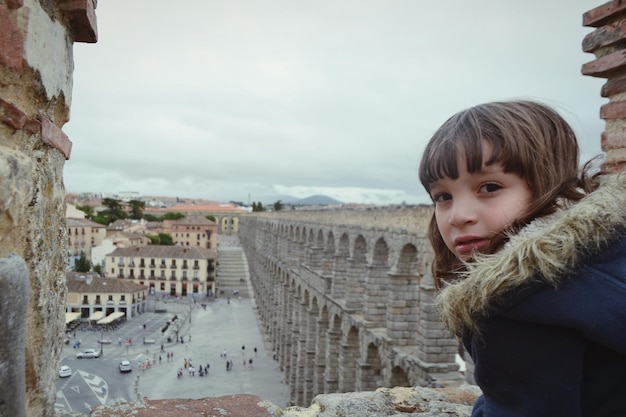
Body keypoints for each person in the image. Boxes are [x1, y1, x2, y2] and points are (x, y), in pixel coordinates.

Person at [418, 100, 626, 417]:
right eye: (443, 197)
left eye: (489, 187)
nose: (458, 216)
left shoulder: (517, 299)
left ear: (546, 182)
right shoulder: (606, 253)